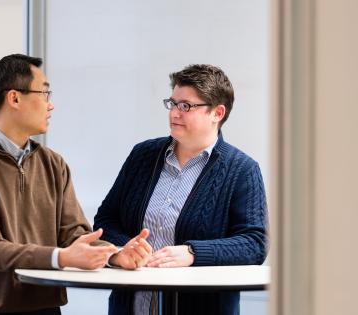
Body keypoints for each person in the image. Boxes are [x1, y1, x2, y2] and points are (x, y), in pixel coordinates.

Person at [0, 54, 151, 315]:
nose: (50, 105)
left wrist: (114, 255)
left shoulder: (53, 164)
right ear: (14, 98)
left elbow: (73, 234)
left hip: (44, 307)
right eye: (45, 93)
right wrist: (61, 258)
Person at [94, 64, 268, 315]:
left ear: (217, 112)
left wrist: (193, 253)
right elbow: (105, 220)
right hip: (132, 306)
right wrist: (123, 250)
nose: (174, 113)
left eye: (186, 106)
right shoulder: (143, 155)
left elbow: (254, 243)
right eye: (172, 103)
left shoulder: (242, 169)